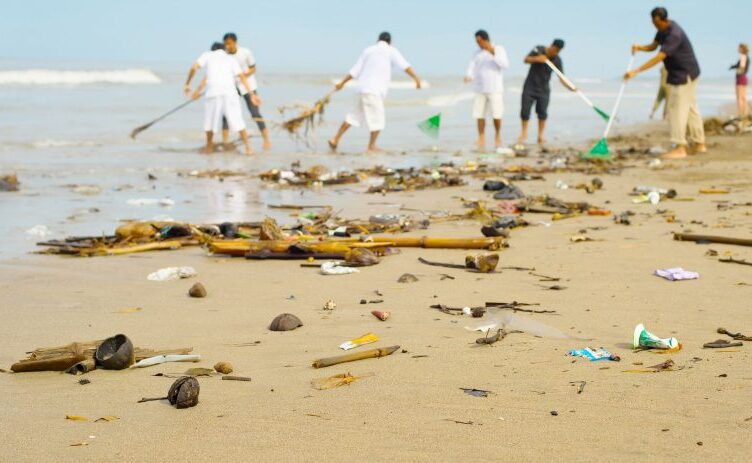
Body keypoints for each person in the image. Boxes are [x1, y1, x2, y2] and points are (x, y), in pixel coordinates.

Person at [626, 7, 706, 159]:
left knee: (675, 109)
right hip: (684, 73)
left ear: (663, 19)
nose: (654, 25)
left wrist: (636, 71)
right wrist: (640, 47)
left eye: (656, 22)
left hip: (684, 75)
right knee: (691, 109)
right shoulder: (662, 30)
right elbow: (654, 46)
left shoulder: (674, 34)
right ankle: (699, 144)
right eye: (652, 22)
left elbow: (659, 57)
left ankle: (680, 147)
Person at [328, 32, 421, 153]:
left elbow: (355, 70)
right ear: (390, 42)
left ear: (378, 40)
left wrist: (342, 83)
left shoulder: (368, 50)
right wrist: (416, 79)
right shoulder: (391, 50)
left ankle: (335, 139)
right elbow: (404, 66)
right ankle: (371, 146)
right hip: (374, 90)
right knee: (378, 119)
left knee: (353, 116)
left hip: (361, 88)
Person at [184, 42, 258, 155]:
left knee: (210, 122)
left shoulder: (208, 55)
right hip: (230, 93)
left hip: (213, 93)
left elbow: (195, 68)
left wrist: (188, 84)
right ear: (224, 49)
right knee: (238, 120)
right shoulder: (230, 58)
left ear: (212, 50)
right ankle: (248, 148)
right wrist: (252, 94)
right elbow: (242, 77)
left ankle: (209, 148)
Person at [515, 39, 574, 147]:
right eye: (555, 49)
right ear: (551, 45)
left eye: (558, 51)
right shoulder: (539, 49)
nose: (555, 52)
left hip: (544, 89)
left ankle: (540, 136)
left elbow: (561, 77)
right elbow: (526, 59)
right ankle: (523, 134)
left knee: (542, 113)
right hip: (529, 87)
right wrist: (537, 59)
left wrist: (571, 87)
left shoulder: (557, 60)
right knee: (525, 111)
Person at [221, 32, 272, 150]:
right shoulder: (224, 55)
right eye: (225, 44)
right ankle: (224, 142)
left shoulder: (245, 52)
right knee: (226, 114)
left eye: (229, 43)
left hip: (248, 86)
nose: (227, 46)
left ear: (235, 42)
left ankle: (266, 140)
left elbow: (253, 68)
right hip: (232, 87)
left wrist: (243, 75)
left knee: (255, 113)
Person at [464, 29, 509, 150]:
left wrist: (492, 52)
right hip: (479, 88)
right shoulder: (476, 53)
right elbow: (472, 67)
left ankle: (497, 135)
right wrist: (468, 75)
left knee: (496, 114)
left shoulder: (498, 49)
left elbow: (504, 65)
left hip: (495, 88)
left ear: (485, 39)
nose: (478, 44)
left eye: (479, 41)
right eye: (476, 42)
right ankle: (481, 137)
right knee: (479, 114)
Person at [730, 43, 749, 130]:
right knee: (743, 97)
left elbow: (742, 67)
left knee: (739, 98)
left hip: (741, 77)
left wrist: (737, 69)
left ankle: (741, 115)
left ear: (742, 49)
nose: (738, 49)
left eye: (739, 48)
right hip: (744, 78)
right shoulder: (747, 57)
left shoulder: (743, 56)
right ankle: (745, 115)